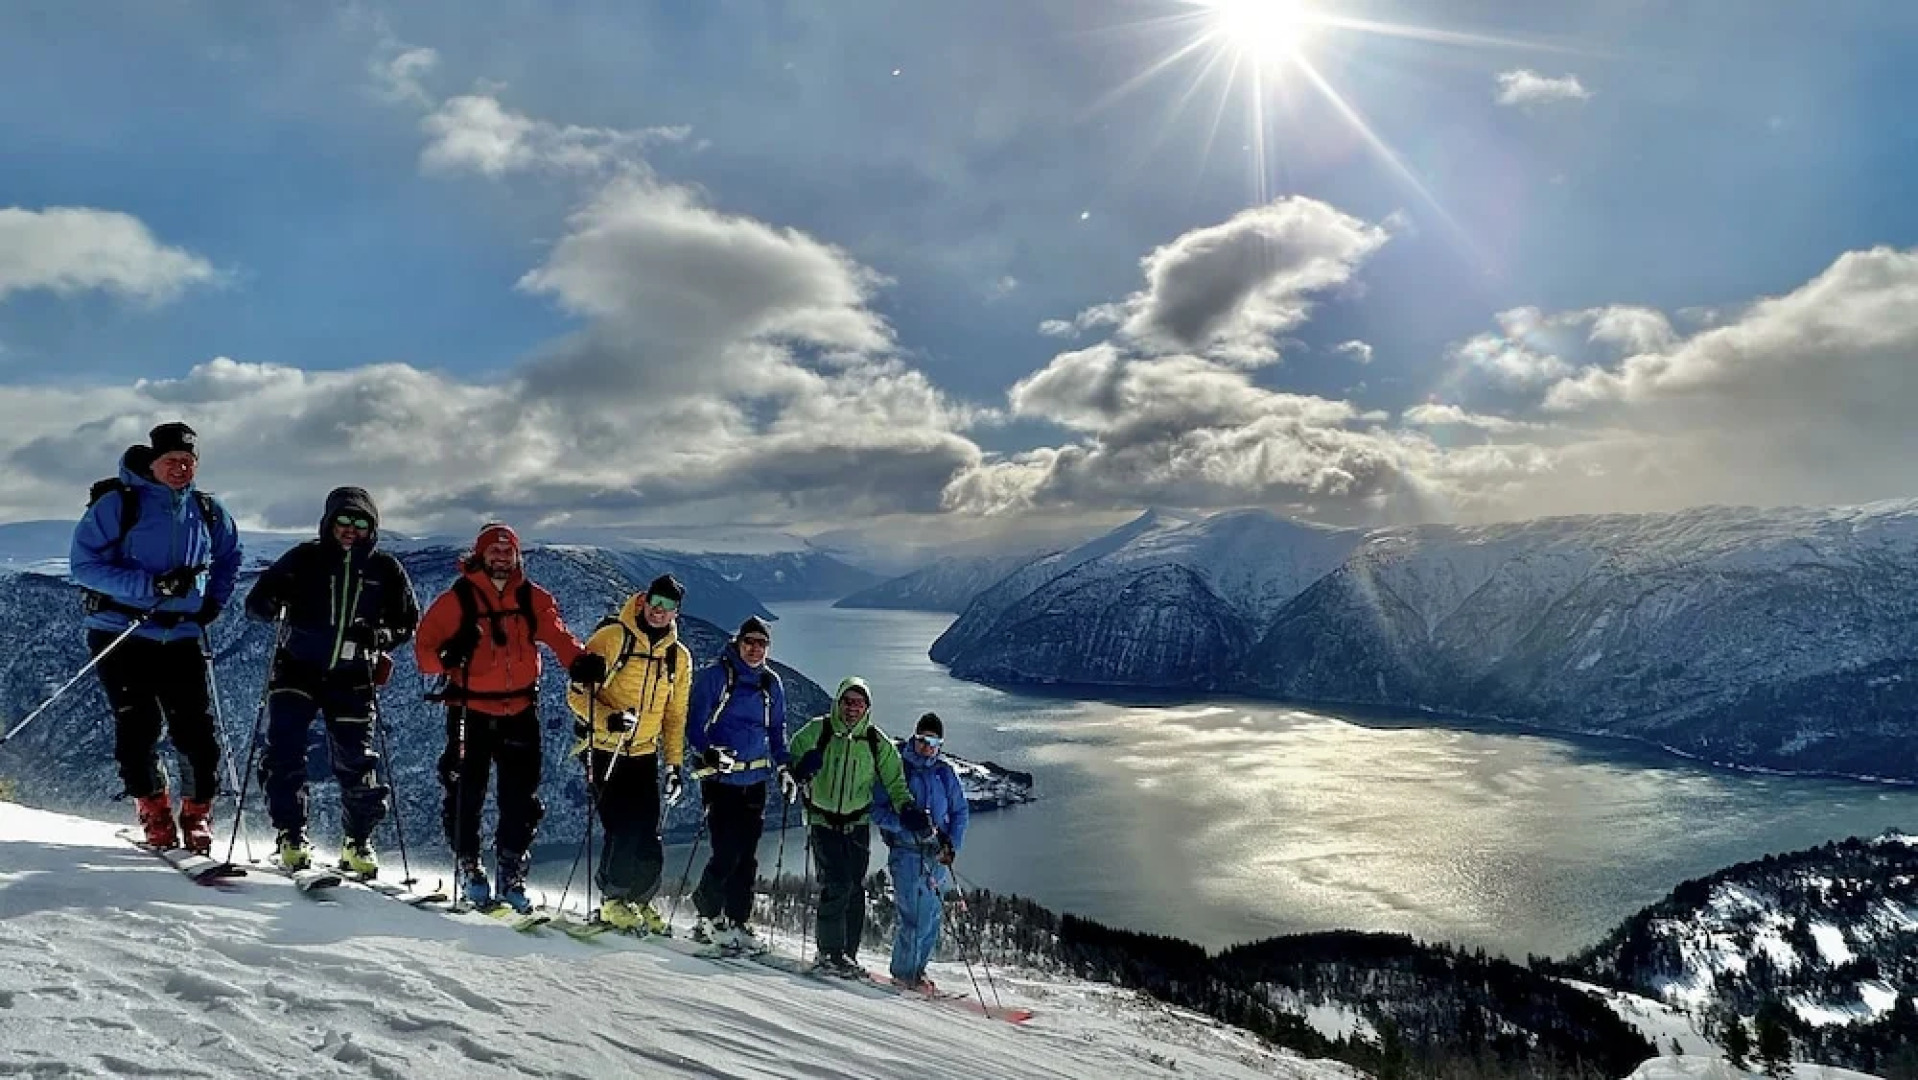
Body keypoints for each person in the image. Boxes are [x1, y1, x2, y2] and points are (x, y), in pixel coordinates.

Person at [69, 422, 242, 852]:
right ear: (153, 463)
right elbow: (83, 566)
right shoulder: (119, 504)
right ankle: (154, 809)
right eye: (171, 461)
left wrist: (212, 604)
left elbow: (229, 557)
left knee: (197, 733)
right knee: (138, 728)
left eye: (188, 461)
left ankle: (197, 814)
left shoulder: (209, 511)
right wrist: (150, 586)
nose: (180, 469)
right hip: (122, 631)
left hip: (181, 634)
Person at [414, 522, 594, 911]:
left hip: (520, 709)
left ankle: (510, 870)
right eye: (493, 551)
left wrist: (578, 661)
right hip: (470, 709)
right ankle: (469, 864)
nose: (500, 557)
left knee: (520, 799)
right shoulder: (456, 601)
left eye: (507, 551)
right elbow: (424, 651)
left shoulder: (532, 598)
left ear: (516, 556)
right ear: (480, 555)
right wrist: (446, 657)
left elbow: (557, 634)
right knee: (465, 792)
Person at [243, 487, 419, 875]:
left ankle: (357, 841)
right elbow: (256, 603)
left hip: (354, 675)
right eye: (344, 521)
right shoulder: (303, 559)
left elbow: (407, 621)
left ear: (372, 528)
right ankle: (291, 835)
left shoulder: (385, 569)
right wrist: (269, 605)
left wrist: (382, 636)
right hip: (297, 669)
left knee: (356, 760)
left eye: (360, 523)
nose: (350, 529)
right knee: (285, 753)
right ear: (329, 523)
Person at [565, 573, 691, 934]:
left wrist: (674, 765)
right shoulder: (611, 638)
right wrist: (610, 720)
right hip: (605, 749)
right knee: (622, 828)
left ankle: (638, 899)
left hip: (644, 753)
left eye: (668, 606)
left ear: (676, 613)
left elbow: (675, 716)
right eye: (655, 601)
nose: (658, 610)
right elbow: (576, 694)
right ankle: (613, 901)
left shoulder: (677, 658)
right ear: (643, 600)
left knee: (648, 831)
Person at [786, 677, 923, 977]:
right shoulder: (817, 731)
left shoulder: (877, 743)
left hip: (857, 824)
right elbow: (790, 761)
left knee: (855, 891)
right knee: (837, 884)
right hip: (822, 821)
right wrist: (800, 768)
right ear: (838, 703)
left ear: (867, 708)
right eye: (847, 701)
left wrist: (908, 808)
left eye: (858, 703)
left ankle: (847, 954)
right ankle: (829, 953)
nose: (852, 708)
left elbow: (895, 783)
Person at [685, 614, 797, 951]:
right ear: (738, 642)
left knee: (747, 855)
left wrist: (784, 767)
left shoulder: (770, 684)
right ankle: (707, 916)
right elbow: (693, 726)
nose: (754, 648)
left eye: (761, 643)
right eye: (749, 641)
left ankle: (738, 918)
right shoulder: (716, 677)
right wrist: (708, 753)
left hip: (755, 780)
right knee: (726, 851)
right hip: (721, 779)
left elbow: (777, 731)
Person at [872, 712, 970, 991]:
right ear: (914, 738)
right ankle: (904, 974)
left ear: (940, 743)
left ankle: (918, 971)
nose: (927, 746)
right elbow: (875, 809)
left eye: (933, 741)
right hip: (907, 853)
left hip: (937, 856)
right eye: (922, 740)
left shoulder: (944, 772)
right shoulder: (897, 768)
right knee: (914, 918)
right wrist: (902, 821)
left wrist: (953, 843)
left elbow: (960, 811)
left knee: (932, 917)